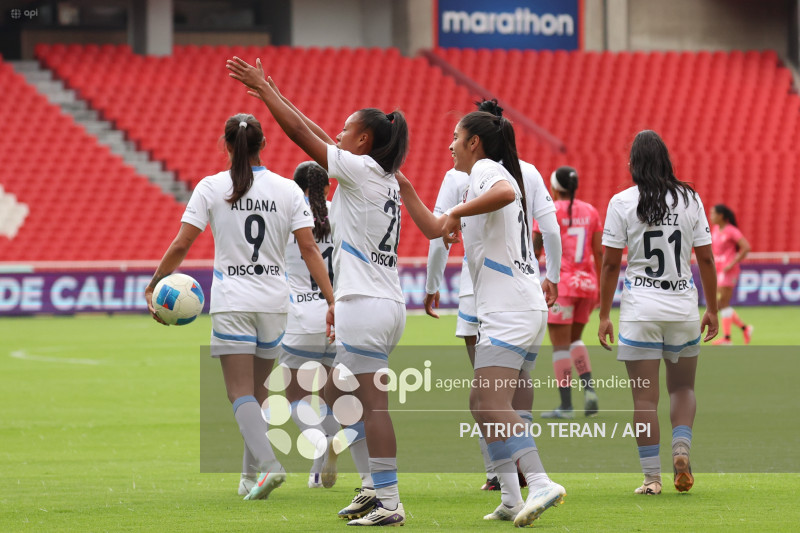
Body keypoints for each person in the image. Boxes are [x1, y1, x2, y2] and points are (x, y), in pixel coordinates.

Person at [227, 57, 409, 526]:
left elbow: (302, 136)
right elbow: (316, 133)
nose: (339, 134)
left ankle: (388, 500)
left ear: (364, 140)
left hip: (364, 305)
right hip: (382, 301)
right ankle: (370, 486)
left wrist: (266, 93)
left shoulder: (360, 172)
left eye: (347, 130)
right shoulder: (384, 178)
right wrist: (275, 89)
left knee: (368, 406)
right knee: (339, 396)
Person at [144, 114, 335, 501]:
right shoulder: (286, 190)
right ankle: (250, 479)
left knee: (238, 394)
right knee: (258, 396)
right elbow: (309, 248)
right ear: (264, 145)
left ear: (227, 145)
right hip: (275, 302)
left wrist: (153, 284)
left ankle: (269, 466)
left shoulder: (212, 187)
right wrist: (332, 300)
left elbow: (182, 244)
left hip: (234, 301)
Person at [398, 110, 565, 527]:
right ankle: (511, 497)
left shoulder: (489, 169)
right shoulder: (474, 180)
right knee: (480, 403)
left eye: (456, 136)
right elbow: (436, 228)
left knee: (492, 402)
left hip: (509, 309)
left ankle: (540, 482)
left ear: (475, 142)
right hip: (519, 308)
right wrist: (404, 187)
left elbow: (507, 193)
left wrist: (457, 213)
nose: (450, 144)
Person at [598, 130, 718, 495]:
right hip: (682, 306)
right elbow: (707, 258)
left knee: (644, 399)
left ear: (633, 164)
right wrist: (712, 308)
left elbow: (610, 265)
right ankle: (681, 448)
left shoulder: (621, 202)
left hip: (640, 311)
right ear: (666, 161)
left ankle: (652, 479)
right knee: (682, 387)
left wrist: (604, 314)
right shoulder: (690, 199)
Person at [277, 161, 342, 489]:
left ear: (295, 185)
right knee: (331, 395)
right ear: (327, 188)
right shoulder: (340, 213)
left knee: (295, 395)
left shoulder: (290, 214)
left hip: (300, 317)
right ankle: (317, 474)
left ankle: (317, 441)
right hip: (337, 315)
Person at [533, 166, 603, 419]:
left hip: (561, 285)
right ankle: (590, 390)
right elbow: (600, 253)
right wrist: (601, 291)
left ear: (554, 188)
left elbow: (535, 251)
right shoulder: (591, 211)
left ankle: (566, 406)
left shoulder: (548, 211)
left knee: (560, 347)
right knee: (575, 340)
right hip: (587, 284)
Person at [709, 204, 753, 345]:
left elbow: (746, 247)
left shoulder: (731, 231)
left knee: (722, 303)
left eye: (713, 213)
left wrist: (732, 263)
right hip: (718, 269)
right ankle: (744, 328)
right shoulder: (715, 230)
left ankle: (727, 338)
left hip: (728, 270)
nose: (711, 216)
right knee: (721, 304)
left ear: (721, 215)